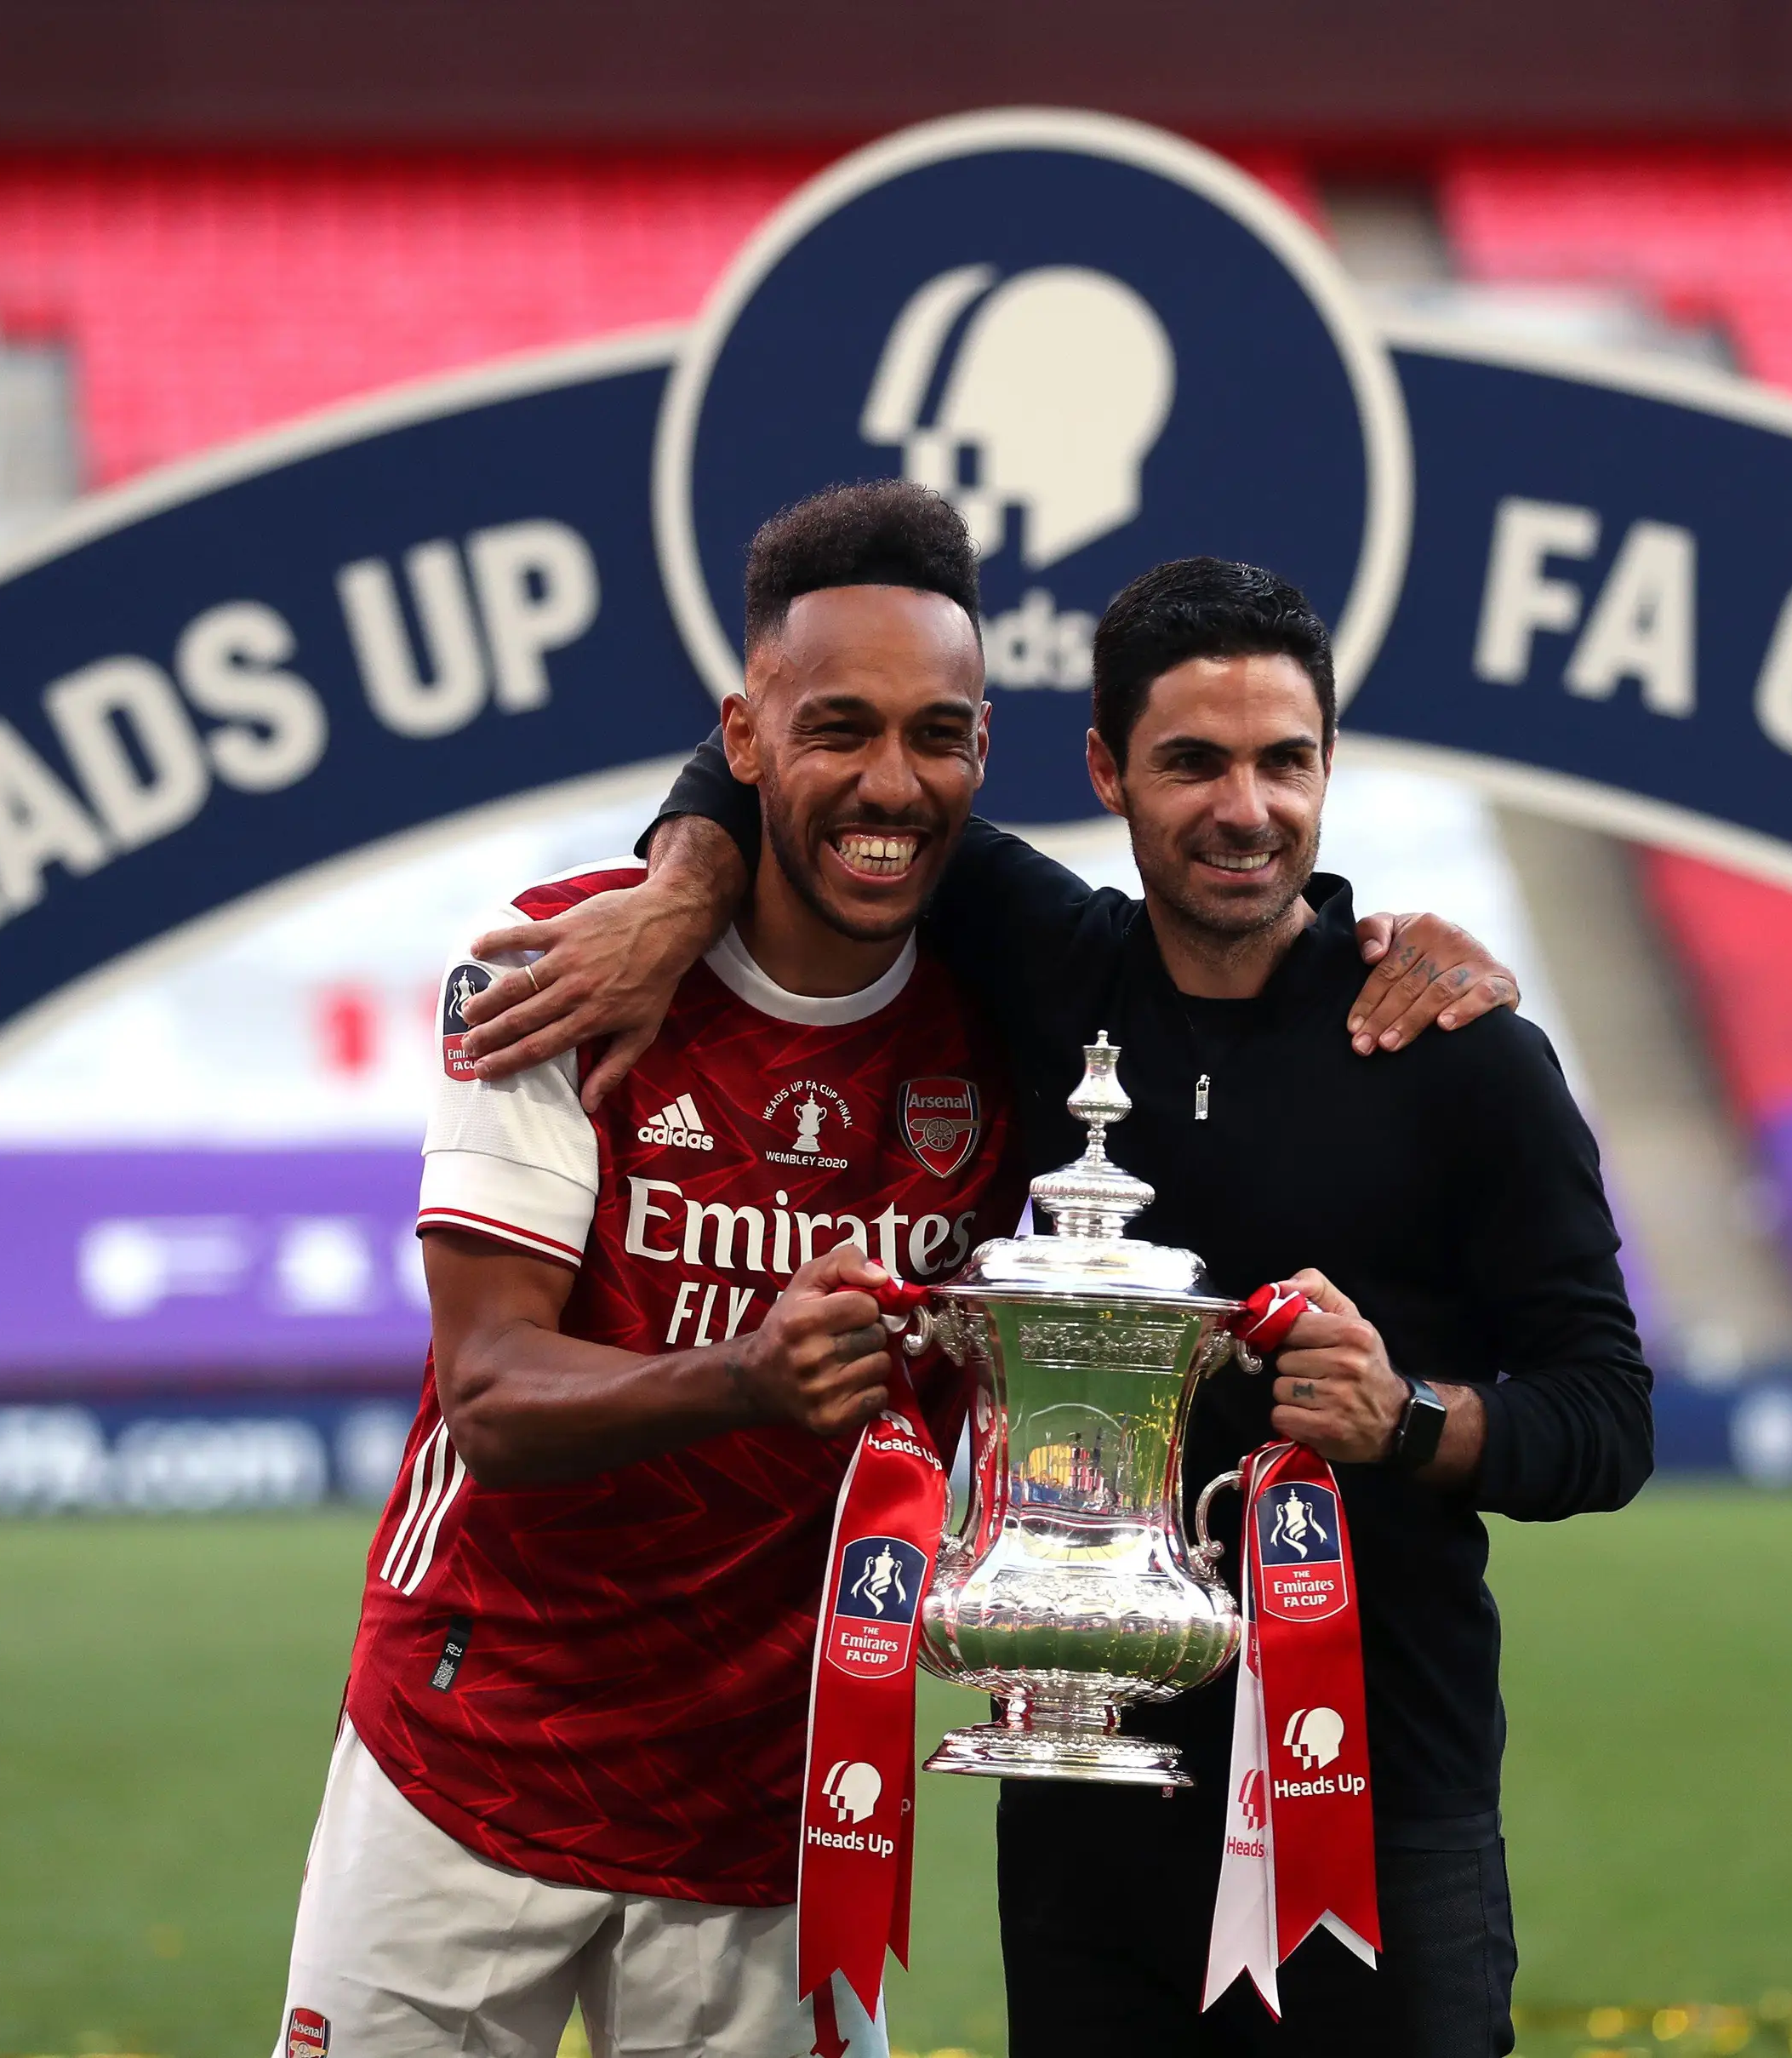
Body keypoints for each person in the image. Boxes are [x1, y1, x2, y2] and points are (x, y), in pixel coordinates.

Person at [277, 488, 1512, 2058]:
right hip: (469, 1750)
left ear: (987, 753)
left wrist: (1394, 940)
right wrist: (746, 1368)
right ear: (743, 734)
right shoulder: (559, 971)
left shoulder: (1021, 1025)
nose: (890, 780)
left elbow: (1238, 970)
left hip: (786, 1791)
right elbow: (493, 1394)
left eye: (936, 734)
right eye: (837, 726)